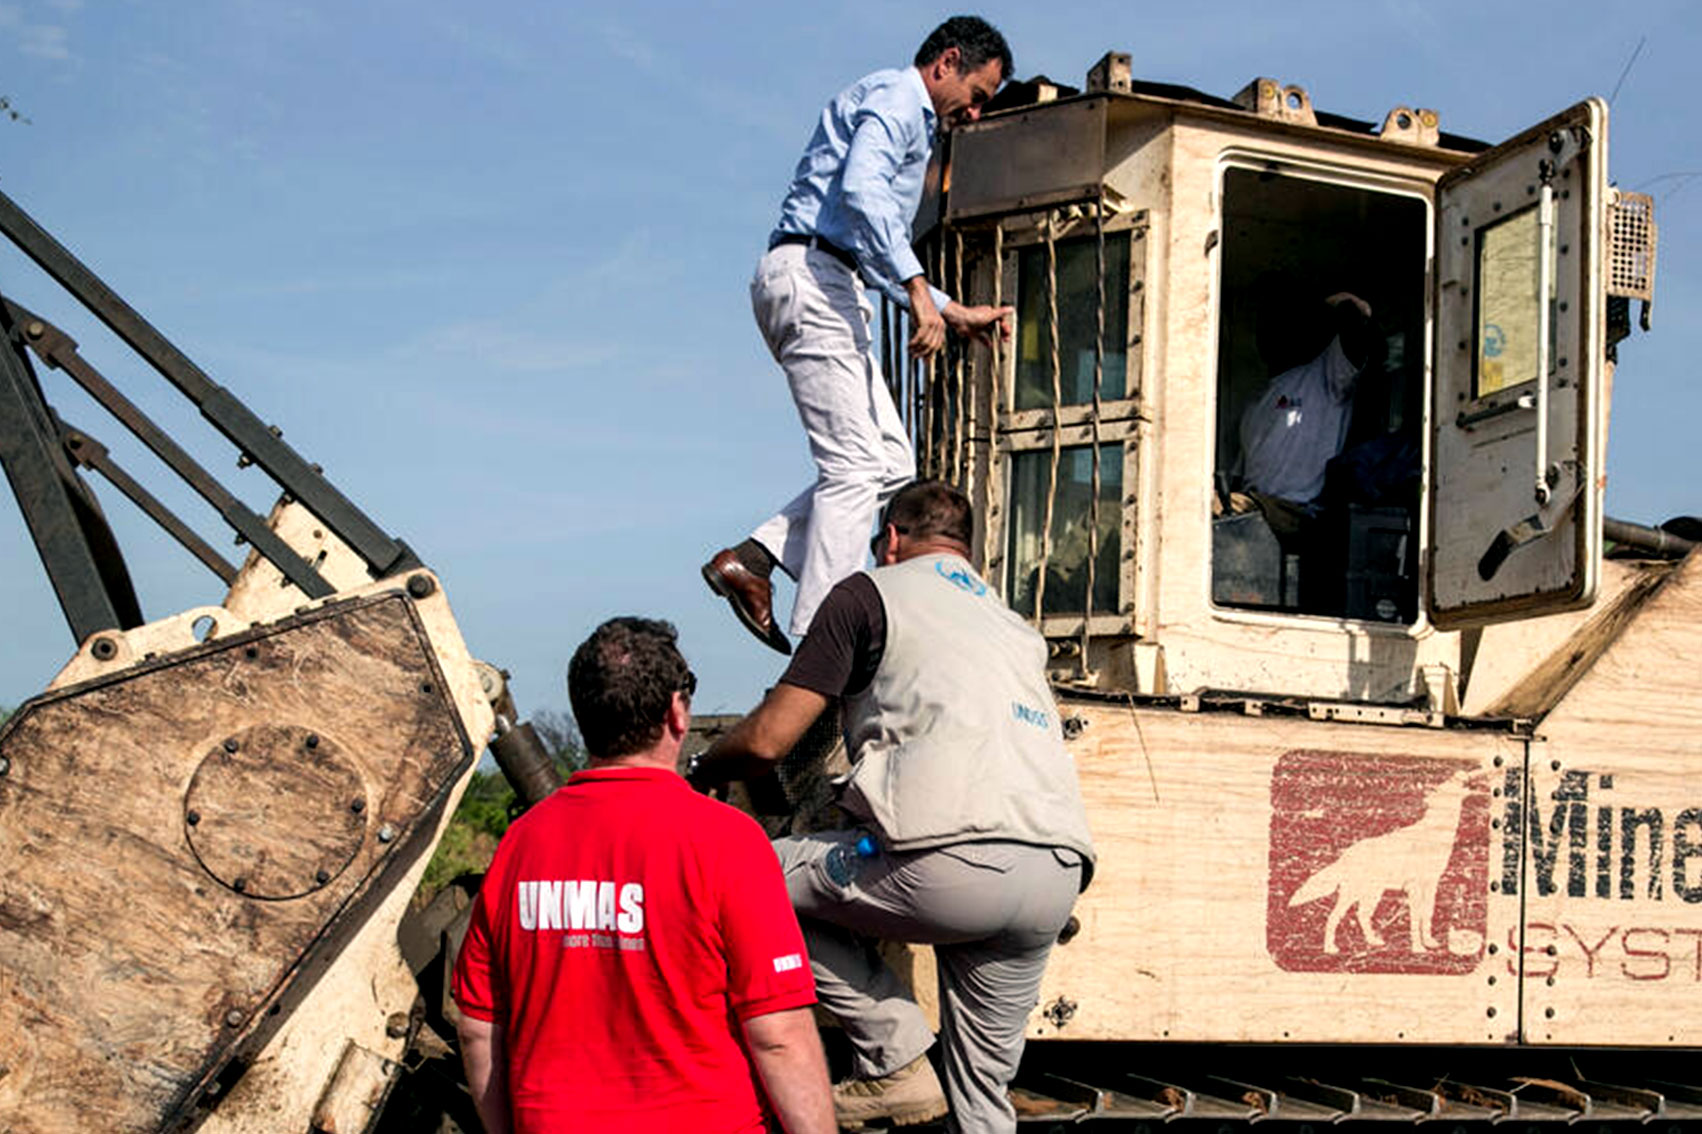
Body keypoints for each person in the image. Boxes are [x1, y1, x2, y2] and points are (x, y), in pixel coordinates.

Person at [690, 481, 1096, 1134]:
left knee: (745, 876)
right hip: (1053, 874)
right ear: (967, 552)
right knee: (982, 1102)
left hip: (945, 862)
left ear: (891, 540)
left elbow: (768, 741)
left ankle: (895, 1052)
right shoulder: (1015, 628)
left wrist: (705, 768)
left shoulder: (867, 594)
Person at [703, 17, 1017, 657]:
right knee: (850, 467)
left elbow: (866, 234)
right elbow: (862, 191)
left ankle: (755, 559)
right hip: (815, 277)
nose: (977, 113)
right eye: (978, 94)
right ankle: (824, 636)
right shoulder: (900, 100)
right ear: (946, 62)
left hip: (829, 277)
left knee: (891, 465)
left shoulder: (909, 113)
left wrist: (951, 311)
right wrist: (919, 286)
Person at [450, 617, 835, 1134]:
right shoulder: (728, 841)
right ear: (677, 712)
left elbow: (479, 1028)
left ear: (584, 715)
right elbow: (779, 1034)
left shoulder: (522, 845)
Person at [1228, 289, 1378, 530]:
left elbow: (1355, 334)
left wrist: (1341, 304)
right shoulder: (1255, 403)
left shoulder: (1325, 375)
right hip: (1256, 510)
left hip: (1300, 511)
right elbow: (1240, 474)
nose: (1266, 333)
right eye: (1263, 326)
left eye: (1276, 324)